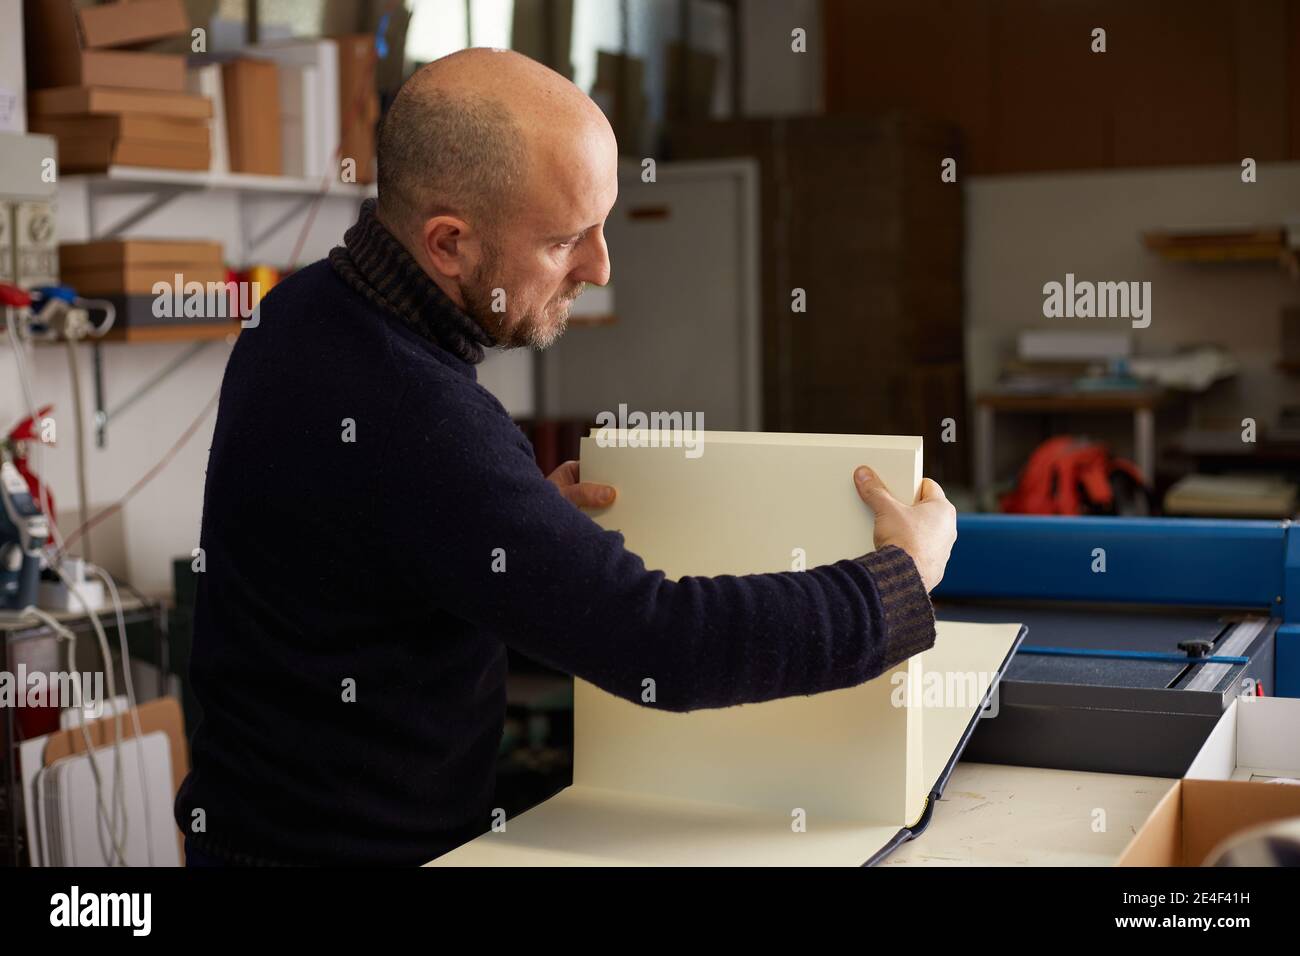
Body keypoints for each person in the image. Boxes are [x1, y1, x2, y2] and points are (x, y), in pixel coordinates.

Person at [174, 48, 957, 866]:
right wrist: (898, 579)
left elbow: (370, 560)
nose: (601, 266)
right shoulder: (420, 415)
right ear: (449, 244)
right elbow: (665, 644)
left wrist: (505, 532)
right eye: (565, 240)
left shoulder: (299, 312)